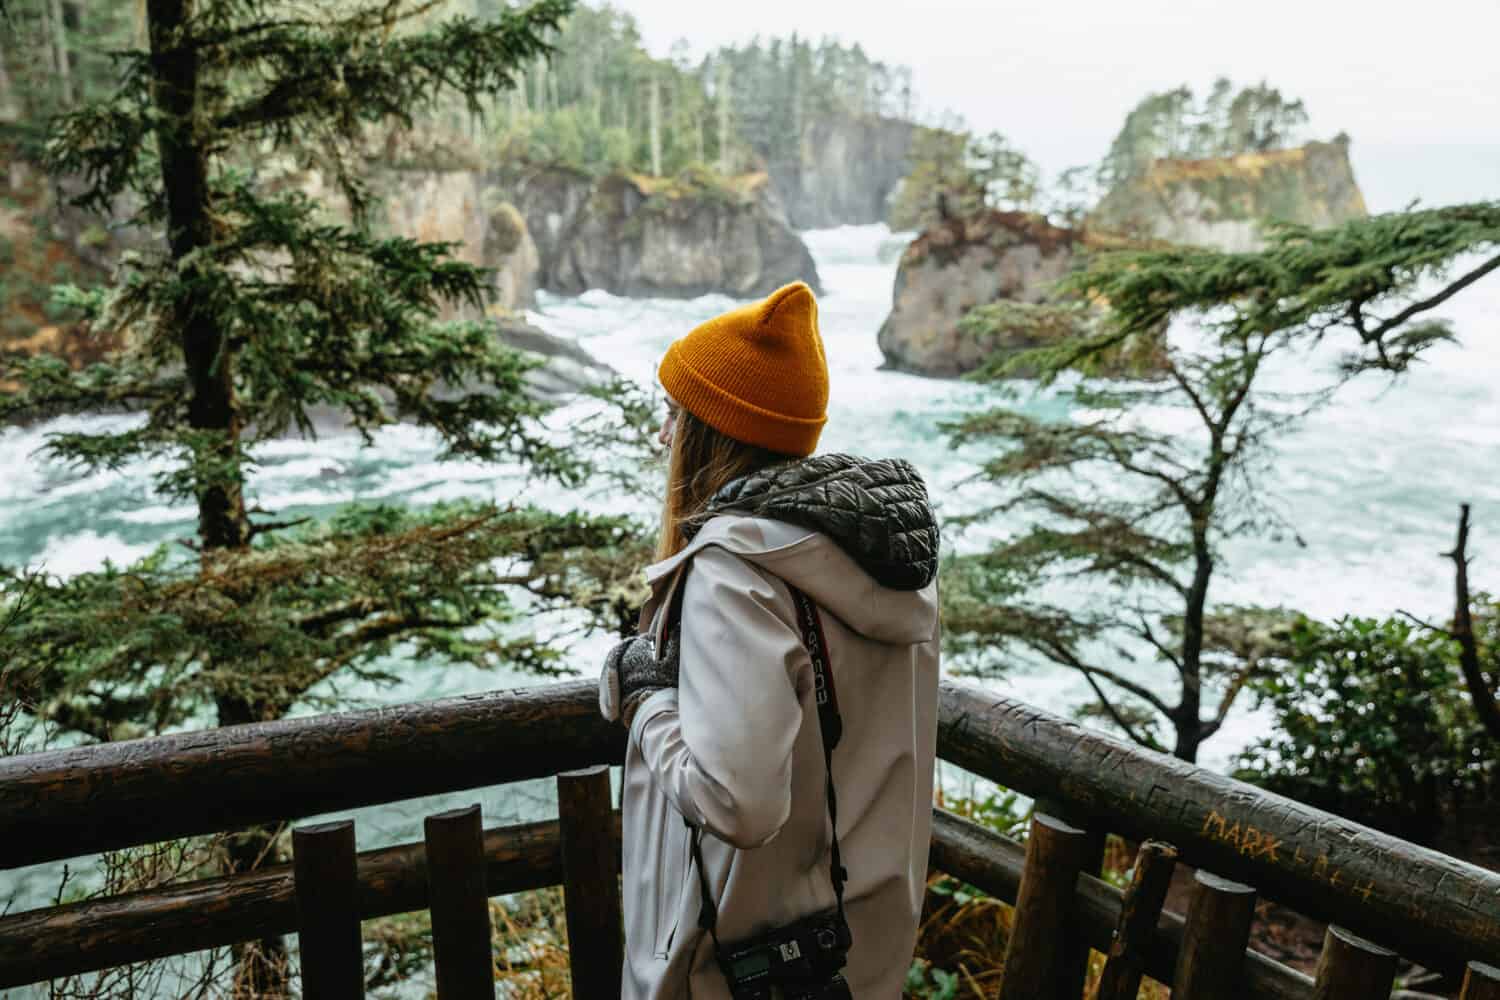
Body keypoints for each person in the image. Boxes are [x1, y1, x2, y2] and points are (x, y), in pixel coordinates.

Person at [599, 280, 941, 999]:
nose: (663, 436)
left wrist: (646, 698)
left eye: (673, 415)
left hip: (732, 968)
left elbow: (738, 803)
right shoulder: (884, 561)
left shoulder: (737, 574)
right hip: (858, 952)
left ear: (709, 431)